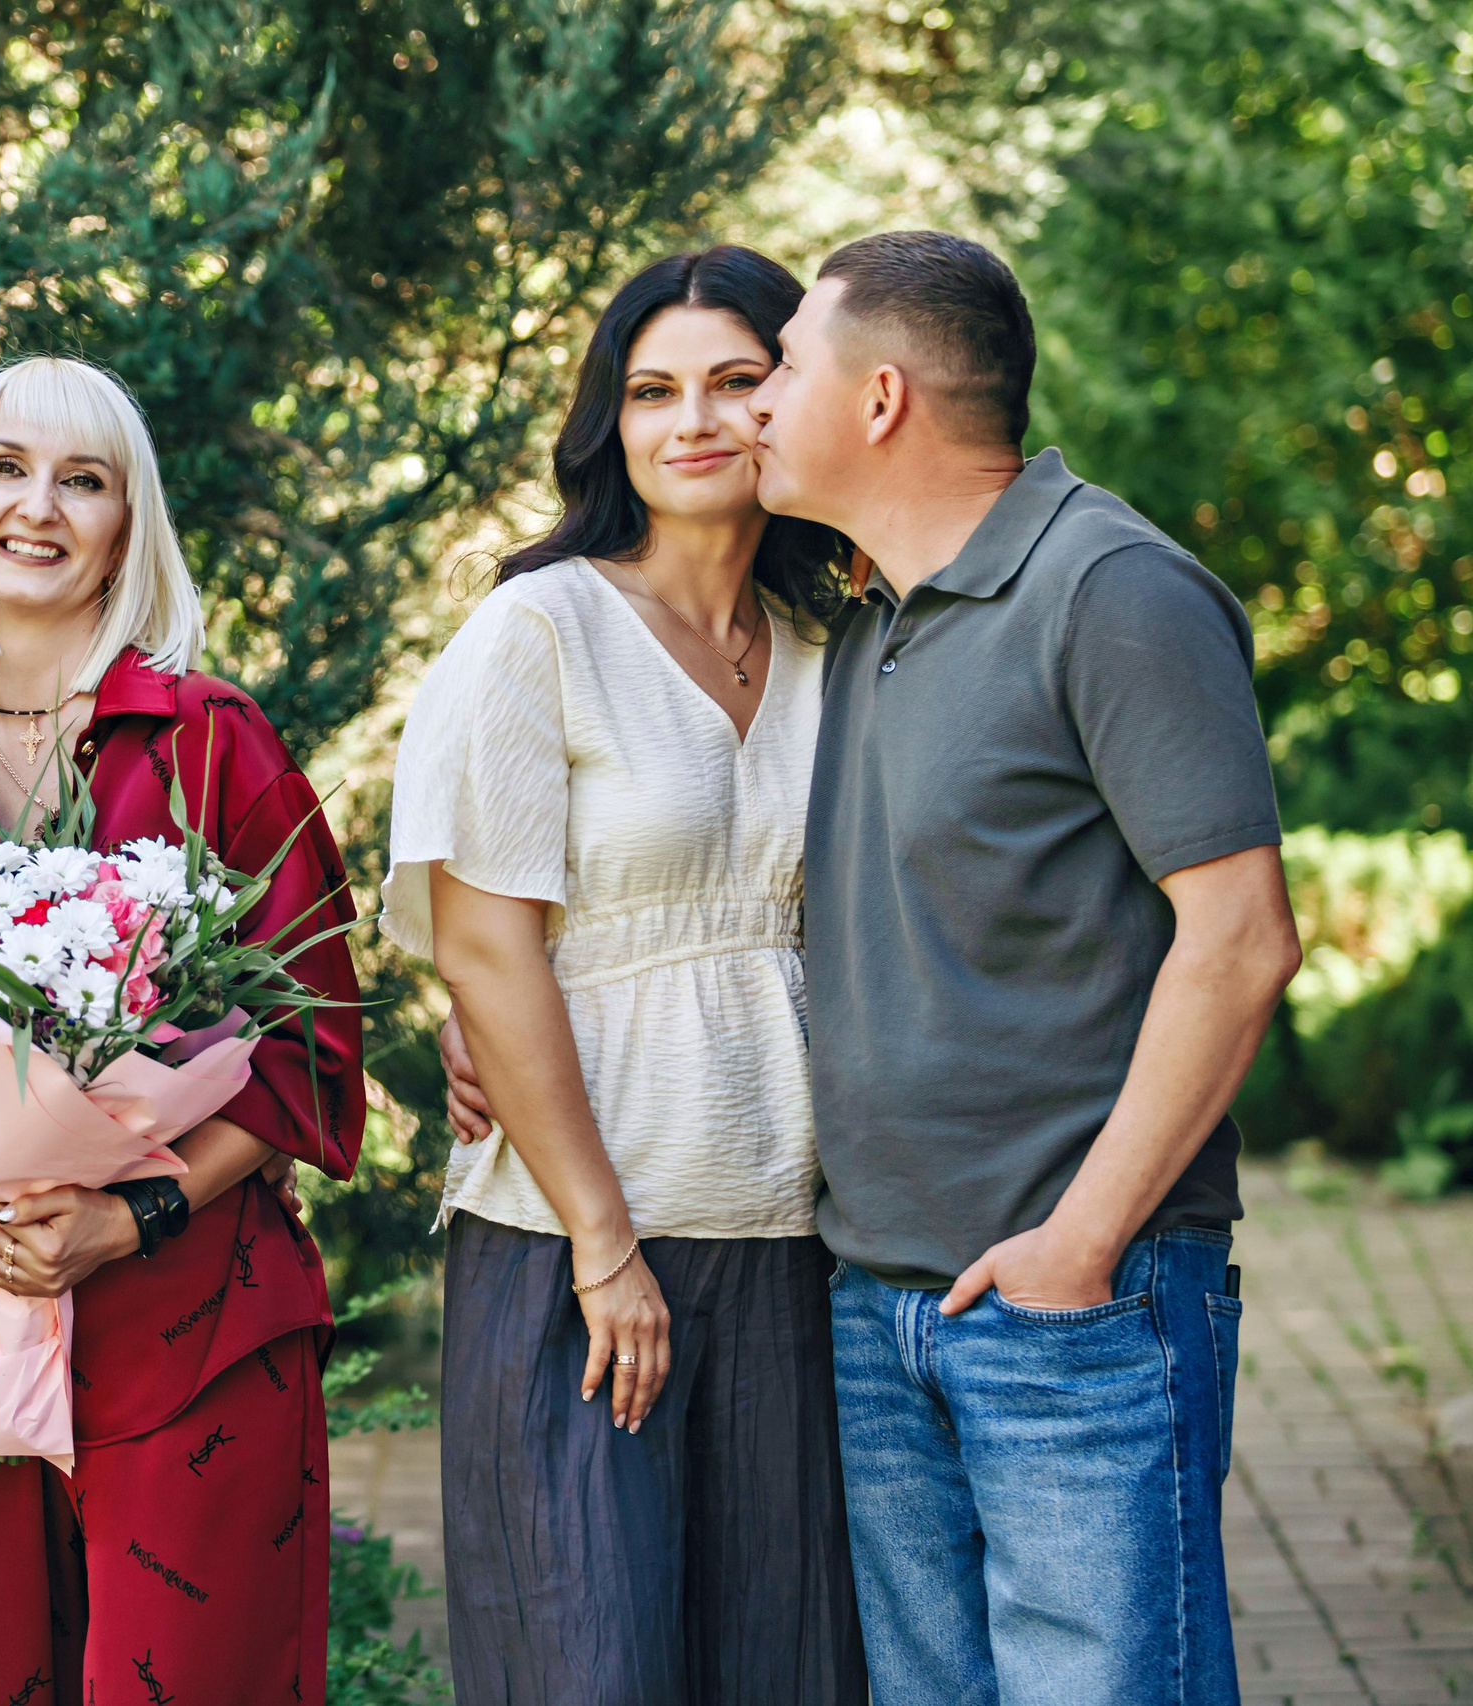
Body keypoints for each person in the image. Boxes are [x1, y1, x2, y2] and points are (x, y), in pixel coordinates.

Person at [743, 231, 1301, 1705]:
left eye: (782, 367)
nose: (752, 405)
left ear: (878, 398)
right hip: (883, 1303)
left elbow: (1241, 936)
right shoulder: (872, 617)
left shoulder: (1111, 589)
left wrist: (1081, 1245)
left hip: (1078, 1304)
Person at [0, 355, 367, 1706]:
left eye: (86, 479)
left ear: (130, 522)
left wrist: (131, 1219)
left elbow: (311, 1050)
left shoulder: (215, 744)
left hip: (196, 1328)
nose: (38, 507)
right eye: (4, 468)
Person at [390, 246, 869, 1706]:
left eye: (735, 381)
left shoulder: (830, 645)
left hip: (795, 1240)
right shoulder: (537, 632)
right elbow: (484, 944)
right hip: (580, 1254)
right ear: (612, 424)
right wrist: (605, 1243)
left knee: (786, 1674)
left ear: (793, 397)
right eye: (653, 390)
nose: (695, 420)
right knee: (591, 1673)